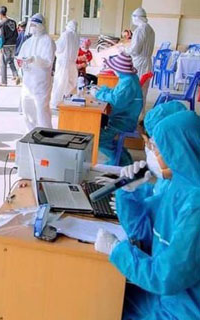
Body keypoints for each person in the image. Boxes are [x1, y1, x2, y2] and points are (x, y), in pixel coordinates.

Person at [94, 110, 200, 320]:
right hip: (163, 297)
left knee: (102, 306)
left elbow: (167, 277)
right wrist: (127, 192)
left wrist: (118, 251)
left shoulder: (195, 207)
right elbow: (142, 232)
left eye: (158, 148)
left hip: (182, 309)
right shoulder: (177, 186)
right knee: (98, 295)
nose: (152, 152)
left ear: (181, 151)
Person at [94, 52, 143, 166]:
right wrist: (103, 90)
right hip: (124, 117)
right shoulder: (128, 78)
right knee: (104, 135)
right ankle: (123, 159)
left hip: (124, 121)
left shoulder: (128, 82)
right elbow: (117, 93)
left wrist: (98, 94)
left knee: (99, 138)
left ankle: (116, 160)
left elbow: (116, 100)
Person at [16, 13, 56, 132]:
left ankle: (46, 136)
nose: (33, 27)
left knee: (41, 110)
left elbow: (48, 62)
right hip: (28, 82)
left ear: (41, 26)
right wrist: (21, 65)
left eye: (35, 25)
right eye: (31, 25)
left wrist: (34, 59)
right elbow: (20, 57)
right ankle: (31, 134)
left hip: (41, 82)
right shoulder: (28, 42)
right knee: (27, 110)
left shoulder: (48, 41)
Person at [126, 7, 155, 112]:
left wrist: (124, 50)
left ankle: (135, 115)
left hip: (139, 63)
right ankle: (141, 114)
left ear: (137, 18)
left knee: (136, 91)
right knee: (144, 92)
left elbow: (135, 50)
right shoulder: (150, 29)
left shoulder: (139, 30)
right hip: (147, 62)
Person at [50, 20, 80, 110]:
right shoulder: (76, 36)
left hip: (63, 63)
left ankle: (55, 102)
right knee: (71, 82)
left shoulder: (65, 35)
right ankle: (68, 100)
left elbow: (58, 48)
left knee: (60, 82)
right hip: (72, 63)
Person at [0, 6, 19, 86]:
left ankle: (4, 82)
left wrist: (0, 47)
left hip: (6, 45)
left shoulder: (2, 23)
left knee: (3, 63)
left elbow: (1, 36)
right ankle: (16, 76)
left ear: (1, 14)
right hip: (13, 44)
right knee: (11, 61)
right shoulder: (13, 21)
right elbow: (16, 33)